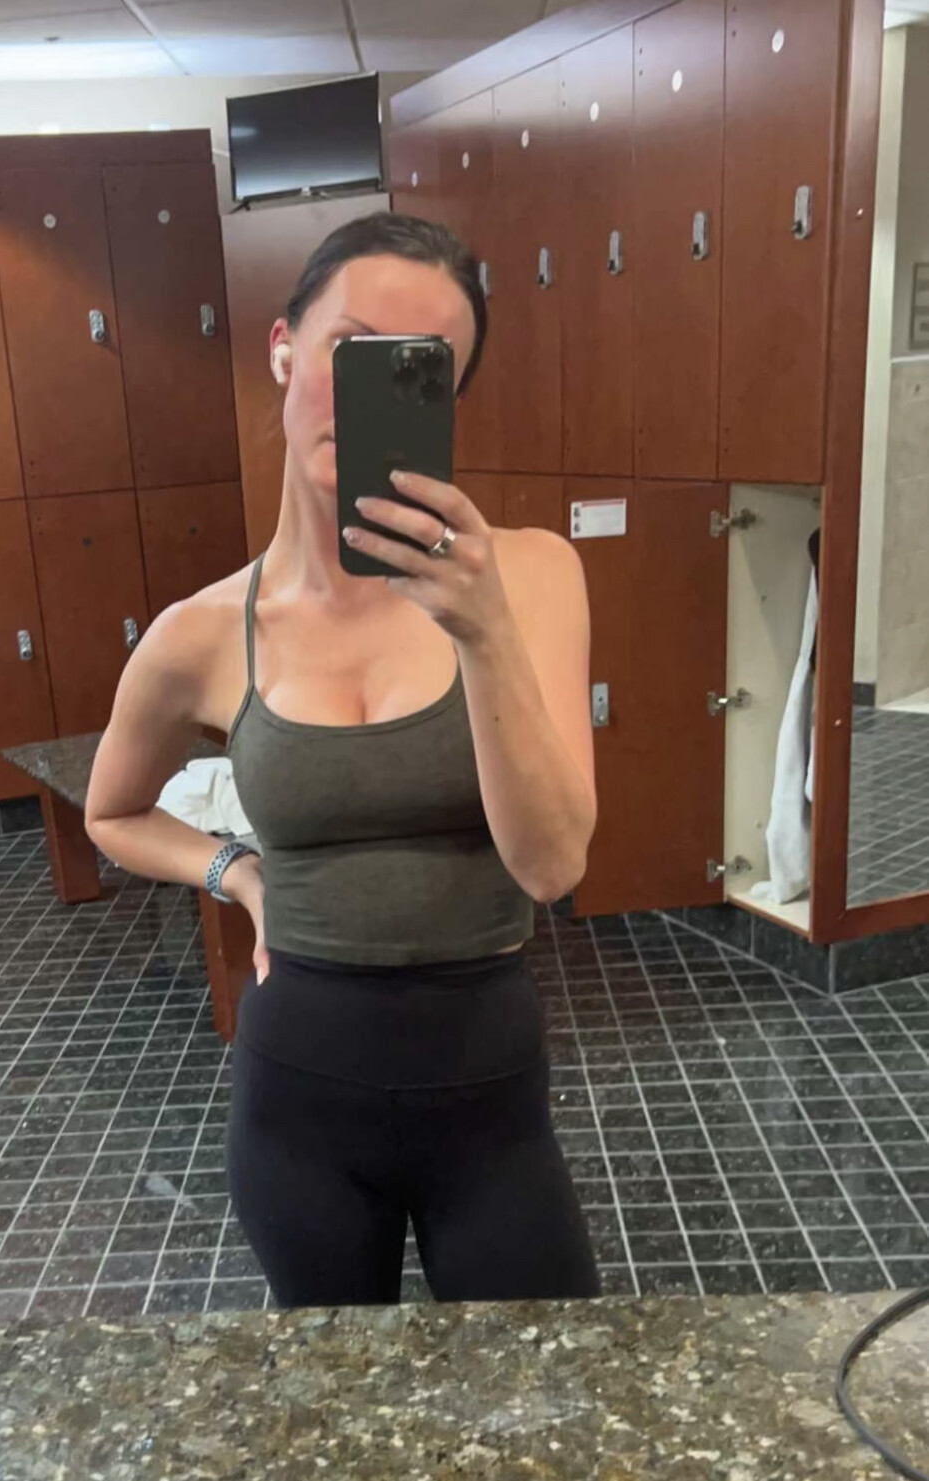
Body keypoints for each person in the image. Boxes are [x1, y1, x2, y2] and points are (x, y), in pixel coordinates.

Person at [85, 212, 601, 1309]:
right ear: (284, 350)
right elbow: (112, 812)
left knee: (545, 1385)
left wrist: (484, 633)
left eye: (418, 370)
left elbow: (554, 865)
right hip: (298, 1098)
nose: (367, 395)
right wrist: (239, 873)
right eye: (351, 351)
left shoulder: (531, 577)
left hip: (490, 1093)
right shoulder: (203, 630)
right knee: (325, 1392)